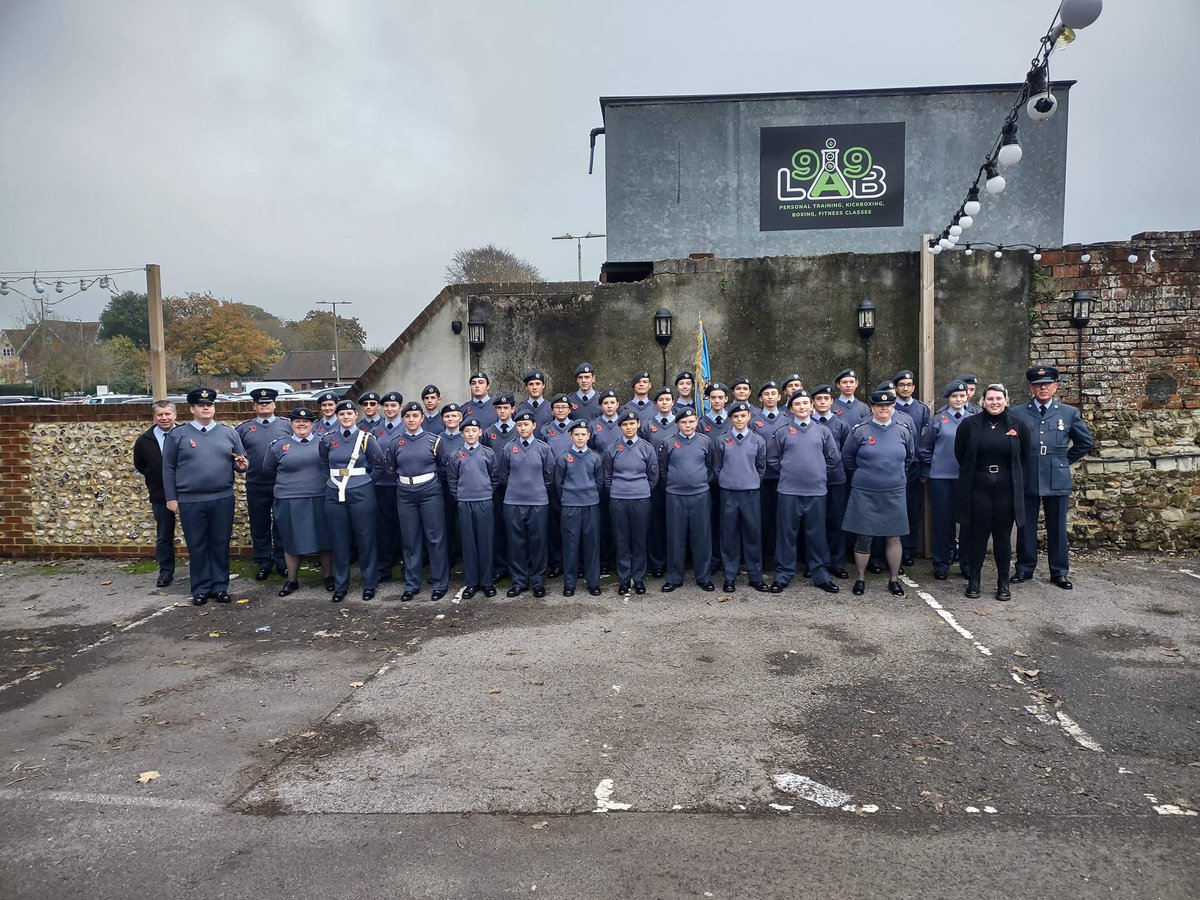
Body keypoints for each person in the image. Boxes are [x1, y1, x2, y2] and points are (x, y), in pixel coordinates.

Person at [1009, 364, 1094, 589]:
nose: (1042, 388)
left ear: (1055, 387)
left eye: (1047, 384)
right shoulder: (1017, 413)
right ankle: (1025, 568)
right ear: (1031, 388)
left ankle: (1059, 572)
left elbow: (1085, 442)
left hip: (1056, 475)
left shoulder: (1068, 412)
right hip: (1028, 473)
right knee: (1025, 525)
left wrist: (1064, 460)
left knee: (1057, 527)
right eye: (1037, 385)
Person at [162, 387, 249, 605]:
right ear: (192, 409)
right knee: (197, 545)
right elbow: (168, 468)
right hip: (191, 500)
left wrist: (242, 465)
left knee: (220, 543)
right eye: (201, 405)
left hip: (222, 497)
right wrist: (171, 498)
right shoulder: (178, 434)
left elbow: (242, 462)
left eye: (209, 405)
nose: (206, 408)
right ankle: (200, 589)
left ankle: (220, 587)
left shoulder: (229, 433)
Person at [954, 384, 1031, 601]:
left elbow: (1023, 457)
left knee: (1002, 537)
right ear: (983, 401)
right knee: (977, 535)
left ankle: (1003, 582)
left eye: (999, 398)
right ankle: (974, 580)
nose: (994, 402)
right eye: (990, 399)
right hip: (978, 485)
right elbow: (961, 454)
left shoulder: (1019, 425)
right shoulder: (969, 425)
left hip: (1006, 487)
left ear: (1006, 400)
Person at [840, 388, 915, 597]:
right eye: (879, 405)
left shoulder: (903, 429)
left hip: (894, 490)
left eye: (888, 405)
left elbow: (909, 458)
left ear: (893, 406)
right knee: (864, 536)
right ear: (872, 407)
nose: (884, 408)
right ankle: (861, 578)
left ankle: (894, 579)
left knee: (894, 536)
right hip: (865, 490)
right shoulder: (860, 430)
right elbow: (847, 459)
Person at [767, 390, 842, 594]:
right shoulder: (782, 431)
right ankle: (783, 575)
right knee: (786, 535)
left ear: (812, 406)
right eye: (797, 404)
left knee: (817, 534)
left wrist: (816, 472)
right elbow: (772, 459)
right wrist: (789, 471)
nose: (801, 407)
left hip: (816, 492)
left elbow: (833, 459)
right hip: (789, 491)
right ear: (791, 409)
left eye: (805, 403)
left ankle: (820, 575)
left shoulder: (822, 431)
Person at [319, 399, 385, 603]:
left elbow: (379, 466)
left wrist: (364, 482)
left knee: (366, 538)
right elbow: (323, 464)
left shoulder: (366, 438)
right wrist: (333, 482)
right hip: (334, 493)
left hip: (361, 493)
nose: (346, 417)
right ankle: (340, 585)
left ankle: (370, 583)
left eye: (349, 414)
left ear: (356, 416)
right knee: (339, 540)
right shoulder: (328, 439)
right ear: (337, 417)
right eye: (342, 414)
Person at [263, 408, 332, 597]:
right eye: (297, 422)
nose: (302, 425)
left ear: (312, 424)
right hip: (289, 500)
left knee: (324, 539)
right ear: (291, 424)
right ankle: (292, 580)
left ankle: (328, 577)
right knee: (291, 541)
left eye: (306, 422)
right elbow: (268, 470)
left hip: (319, 496)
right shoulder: (278, 445)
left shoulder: (323, 442)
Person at [386, 401, 450, 602]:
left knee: (435, 538)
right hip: (405, 493)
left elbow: (443, 466)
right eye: (408, 416)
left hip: (430, 491)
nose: (411, 420)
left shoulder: (434, 441)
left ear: (422, 418)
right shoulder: (396, 442)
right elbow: (390, 467)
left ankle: (440, 583)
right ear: (403, 419)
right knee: (410, 540)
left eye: (415, 416)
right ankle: (412, 584)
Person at [712, 400, 768, 593]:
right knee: (729, 535)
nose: (739, 419)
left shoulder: (758, 440)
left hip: (751, 493)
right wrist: (729, 481)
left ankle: (755, 576)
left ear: (749, 417)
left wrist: (750, 481)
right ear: (730, 418)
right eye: (735, 416)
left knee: (753, 534)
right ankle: (729, 576)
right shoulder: (722, 440)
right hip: (729, 493)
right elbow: (717, 467)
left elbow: (761, 468)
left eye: (743, 416)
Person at [236, 387, 292, 581]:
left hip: (281, 484)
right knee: (259, 524)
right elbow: (236, 456)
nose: (264, 405)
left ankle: (282, 562)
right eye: (261, 403)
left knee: (281, 524)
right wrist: (240, 468)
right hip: (256, 484)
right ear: (254, 406)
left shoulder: (287, 425)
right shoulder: (243, 429)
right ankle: (263, 562)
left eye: (268, 402)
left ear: (275, 404)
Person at [920, 380, 973, 580]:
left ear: (967, 397)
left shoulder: (973, 419)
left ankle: (966, 563)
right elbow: (925, 448)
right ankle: (941, 563)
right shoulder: (938, 420)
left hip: (966, 479)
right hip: (942, 478)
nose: (958, 399)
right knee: (942, 522)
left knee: (968, 522)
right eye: (954, 396)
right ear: (948, 399)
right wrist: (934, 465)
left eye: (962, 396)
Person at [499, 410, 555, 597]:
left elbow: (549, 476)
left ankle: (538, 582)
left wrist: (535, 489)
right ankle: (519, 581)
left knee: (538, 543)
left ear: (534, 426)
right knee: (516, 543)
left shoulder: (543, 448)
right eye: (520, 425)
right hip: (513, 502)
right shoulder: (508, 448)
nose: (523, 428)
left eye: (526, 424)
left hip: (538, 502)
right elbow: (504, 475)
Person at [659, 407, 715, 592]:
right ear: (677, 424)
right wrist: (675, 484)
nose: (688, 425)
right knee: (676, 537)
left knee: (702, 536)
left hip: (700, 495)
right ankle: (674, 577)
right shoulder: (668, 443)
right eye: (683, 422)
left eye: (691, 421)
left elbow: (711, 466)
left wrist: (699, 483)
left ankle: (703, 577)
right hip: (675, 496)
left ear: (697, 421)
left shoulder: (706, 442)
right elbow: (663, 469)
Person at [603, 410, 658, 595]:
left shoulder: (646, 448)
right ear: (620, 427)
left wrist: (641, 490)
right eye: (625, 424)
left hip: (641, 499)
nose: (629, 427)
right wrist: (618, 491)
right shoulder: (612, 449)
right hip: (619, 499)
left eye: (632, 424)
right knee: (622, 539)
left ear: (638, 425)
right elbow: (607, 475)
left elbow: (653, 476)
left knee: (640, 539)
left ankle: (639, 578)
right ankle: (624, 578)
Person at [445, 417, 499, 599]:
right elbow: (452, 479)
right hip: (464, 502)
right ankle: (471, 582)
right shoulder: (455, 455)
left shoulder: (488, 453)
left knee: (486, 542)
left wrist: (486, 493)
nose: (470, 434)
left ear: (480, 433)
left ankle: (487, 582)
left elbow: (494, 477)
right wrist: (459, 496)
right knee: (468, 543)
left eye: (474, 431)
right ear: (462, 434)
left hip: (484, 501)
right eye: (467, 431)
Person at [132, 400, 179, 588]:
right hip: (161, 494)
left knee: (197, 534)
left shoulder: (185, 434)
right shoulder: (144, 440)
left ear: (175, 415)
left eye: (167, 414)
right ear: (154, 417)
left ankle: (201, 570)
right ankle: (166, 571)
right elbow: (140, 465)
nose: (164, 418)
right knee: (164, 534)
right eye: (160, 415)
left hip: (188, 491)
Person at [554, 421, 604, 597]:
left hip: (590, 505)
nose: (580, 438)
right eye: (576, 434)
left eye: (583, 434)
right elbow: (559, 484)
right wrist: (570, 498)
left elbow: (599, 482)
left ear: (589, 436)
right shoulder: (564, 458)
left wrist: (588, 495)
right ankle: (569, 583)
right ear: (571, 436)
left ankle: (593, 582)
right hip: (570, 506)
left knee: (592, 544)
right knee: (570, 545)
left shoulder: (595, 457)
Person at [811, 385, 851, 578]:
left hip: (835, 480)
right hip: (812, 482)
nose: (822, 402)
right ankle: (817, 563)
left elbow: (846, 452)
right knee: (815, 523)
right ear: (813, 402)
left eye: (826, 398)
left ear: (832, 401)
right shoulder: (807, 423)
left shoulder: (841, 424)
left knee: (836, 521)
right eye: (818, 399)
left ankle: (837, 562)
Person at [892, 369, 930, 568]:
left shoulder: (921, 409)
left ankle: (908, 550)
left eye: (908, 385)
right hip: (894, 467)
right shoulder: (889, 407)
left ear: (914, 387)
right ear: (895, 388)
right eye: (901, 385)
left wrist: (924, 469)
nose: (905, 388)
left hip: (913, 467)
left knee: (911, 509)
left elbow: (925, 441)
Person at [368, 390, 406, 583]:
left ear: (400, 407)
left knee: (404, 528)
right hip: (381, 486)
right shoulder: (376, 430)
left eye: (394, 405)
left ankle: (407, 566)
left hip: (400, 486)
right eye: (387, 406)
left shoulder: (406, 427)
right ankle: (384, 566)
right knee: (383, 528)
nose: (390, 409)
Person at [640, 388, 678, 578]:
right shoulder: (647, 426)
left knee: (673, 523)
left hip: (674, 481)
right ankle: (657, 562)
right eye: (661, 400)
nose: (664, 403)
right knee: (655, 522)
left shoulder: (680, 424)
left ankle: (675, 561)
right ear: (655, 404)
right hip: (654, 481)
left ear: (673, 402)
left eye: (668, 399)